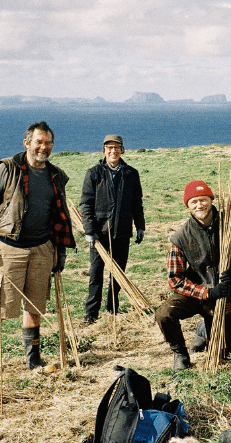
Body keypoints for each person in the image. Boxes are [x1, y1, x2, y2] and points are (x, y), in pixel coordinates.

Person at [0, 121, 76, 383]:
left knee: (35, 306)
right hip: (10, 249)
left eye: (48, 143)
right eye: (39, 142)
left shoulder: (55, 175)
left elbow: (60, 216)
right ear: (27, 143)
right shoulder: (9, 169)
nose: (44, 147)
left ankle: (33, 360)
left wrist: (60, 252)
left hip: (42, 249)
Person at [155, 180, 231, 370]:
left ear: (211, 200)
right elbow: (174, 280)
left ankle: (203, 331)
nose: (200, 205)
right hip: (197, 295)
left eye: (203, 200)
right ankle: (180, 353)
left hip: (227, 296)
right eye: (194, 202)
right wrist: (206, 293)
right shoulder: (181, 236)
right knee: (164, 314)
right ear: (188, 206)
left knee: (225, 356)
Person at [79, 134, 146, 323]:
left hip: (122, 231)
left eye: (116, 148)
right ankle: (91, 313)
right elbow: (85, 204)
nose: (113, 151)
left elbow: (137, 203)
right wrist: (89, 231)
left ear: (122, 150)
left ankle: (112, 308)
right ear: (104, 151)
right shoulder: (94, 173)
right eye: (109, 148)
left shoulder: (131, 174)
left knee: (118, 273)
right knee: (96, 274)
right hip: (99, 233)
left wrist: (140, 226)